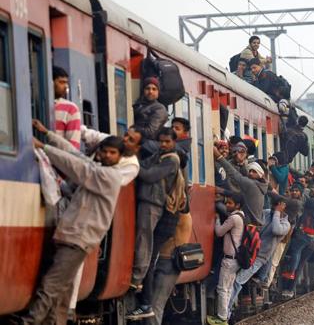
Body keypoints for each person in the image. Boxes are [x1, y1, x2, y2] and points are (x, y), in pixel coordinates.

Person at [17, 135, 124, 324]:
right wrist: (47, 134)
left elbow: (79, 167)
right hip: (70, 236)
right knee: (61, 292)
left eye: (112, 153)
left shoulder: (109, 177)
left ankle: (30, 322)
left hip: (78, 239)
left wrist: (45, 148)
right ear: (99, 153)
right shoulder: (97, 173)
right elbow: (76, 158)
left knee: (51, 285)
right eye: (104, 151)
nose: (107, 155)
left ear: (120, 156)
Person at [130, 128, 182, 303]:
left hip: (153, 203)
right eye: (161, 141)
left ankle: (137, 278)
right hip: (148, 200)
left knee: (144, 241)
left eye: (167, 141)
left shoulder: (171, 160)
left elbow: (150, 175)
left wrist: (131, 163)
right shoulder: (160, 155)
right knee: (143, 239)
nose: (163, 144)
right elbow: (145, 167)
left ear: (174, 142)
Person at [226, 194, 290, 320]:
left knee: (238, 280)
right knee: (232, 280)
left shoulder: (285, 224)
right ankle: (229, 307)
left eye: (276, 206)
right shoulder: (267, 213)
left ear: (283, 208)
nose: (273, 208)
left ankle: (226, 313)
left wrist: (277, 213)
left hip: (260, 258)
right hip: (248, 252)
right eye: (273, 206)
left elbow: (276, 230)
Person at [147, 206, 192, 325]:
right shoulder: (186, 215)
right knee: (156, 304)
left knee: (155, 305)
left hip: (167, 260)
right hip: (169, 262)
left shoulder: (178, 215)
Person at [207, 192, 245, 325]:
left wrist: (217, 219)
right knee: (228, 289)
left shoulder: (234, 218)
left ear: (237, 205)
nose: (227, 205)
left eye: (230, 203)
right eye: (227, 202)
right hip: (236, 259)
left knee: (222, 289)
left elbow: (219, 232)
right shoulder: (242, 216)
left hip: (229, 259)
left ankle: (222, 318)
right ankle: (226, 315)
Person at [214, 145, 267, 226]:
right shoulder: (262, 186)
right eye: (250, 171)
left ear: (260, 174)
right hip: (254, 225)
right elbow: (240, 195)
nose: (251, 173)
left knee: (217, 205)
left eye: (254, 172)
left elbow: (234, 174)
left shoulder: (251, 184)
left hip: (247, 223)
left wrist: (219, 156)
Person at [53, 66, 81, 149]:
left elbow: (73, 147)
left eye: (66, 83)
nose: (65, 86)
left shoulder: (70, 109)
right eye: (61, 82)